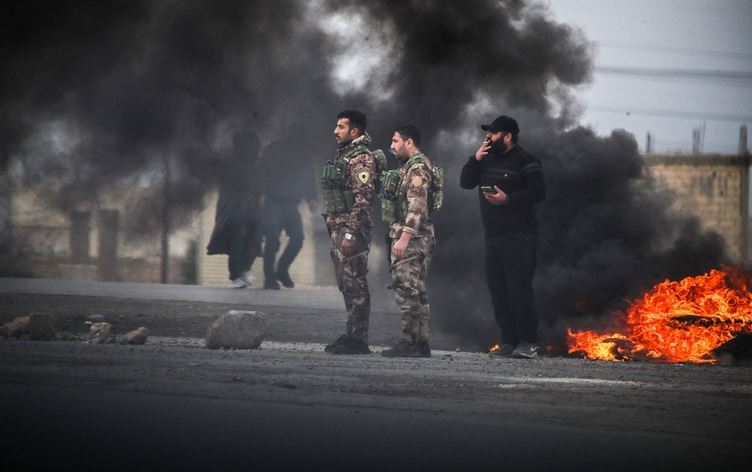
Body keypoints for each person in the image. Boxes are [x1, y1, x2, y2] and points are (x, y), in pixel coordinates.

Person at [459, 115, 546, 358]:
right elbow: (465, 182)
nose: (488, 137)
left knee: (519, 291)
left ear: (507, 136)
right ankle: (509, 341)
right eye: (488, 133)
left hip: (520, 237)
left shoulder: (526, 160)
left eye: (493, 133)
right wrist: (475, 159)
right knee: (499, 293)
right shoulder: (486, 159)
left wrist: (508, 199)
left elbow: (538, 193)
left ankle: (529, 342)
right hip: (493, 238)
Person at [321, 110, 377, 355]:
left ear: (354, 131)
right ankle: (352, 333)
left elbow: (363, 199)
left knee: (356, 283)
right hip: (340, 227)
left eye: (341, 127)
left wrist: (351, 233)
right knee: (346, 283)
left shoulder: (361, 159)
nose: (335, 131)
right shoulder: (346, 155)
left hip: (352, 230)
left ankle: (359, 339)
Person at [381, 124, 437, 358]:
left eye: (396, 141)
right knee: (417, 290)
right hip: (418, 237)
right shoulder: (412, 166)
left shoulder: (417, 168)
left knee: (406, 289)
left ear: (409, 142)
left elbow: (416, 207)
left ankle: (411, 342)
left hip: (413, 239)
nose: (392, 146)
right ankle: (420, 343)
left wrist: (404, 238)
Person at [258, 127, 317, 290]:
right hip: (273, 202)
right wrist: (260, 194)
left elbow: (309, 179)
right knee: (272, 240)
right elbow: (261, 170)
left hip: (290, 204)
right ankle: (269, 278)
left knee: (297, 238)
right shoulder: (274, 150)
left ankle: (282, 270)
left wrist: (311, 199)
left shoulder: (304, 157)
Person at [206, 131, 263, 288]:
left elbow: (260, 185)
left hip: (252, 207)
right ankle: (235, 275)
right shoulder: (230, 164)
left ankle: (244, 270)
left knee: (255, 238)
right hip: (234, 207)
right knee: (236, 241)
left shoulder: (256, 164)